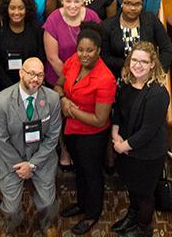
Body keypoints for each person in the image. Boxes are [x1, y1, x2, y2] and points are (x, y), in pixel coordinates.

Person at [53, 22, 117, 235]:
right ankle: (81, 204)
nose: (84, 54)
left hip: (92, 136)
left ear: (98, 50)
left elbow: (100, 120)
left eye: (89, 50)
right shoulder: (73, 62)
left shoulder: (105, 78)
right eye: (81, 49)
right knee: (79, 170)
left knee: (92, 174)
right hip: (71, 131)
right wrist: (62, 98)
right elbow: (59, 85)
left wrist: (69, 108)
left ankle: (92, 213)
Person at [0, 58, 61, 237]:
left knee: (47, 203)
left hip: (42, 158)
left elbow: (53, 136)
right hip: (11, 161)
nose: (35, 78)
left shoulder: (52, 98)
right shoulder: (1, 101)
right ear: (21, 72)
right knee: (11, 208)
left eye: (39, 74)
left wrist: (32, 164)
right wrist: (21, 165)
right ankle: (11, 226)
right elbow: (1, 140)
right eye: (31, 73)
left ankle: (47, 224)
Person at [111, 41, 169, 237]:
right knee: (132, 187)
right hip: (126, 147)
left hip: (147, 153)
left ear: (153, 64)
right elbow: (118, 111)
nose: (138, 65)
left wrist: (122, 146)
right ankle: (132, 215)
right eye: (134, 60)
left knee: (144, 193)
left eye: (143, 62)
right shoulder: (127, 83)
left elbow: (148, 131)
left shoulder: (158, 93)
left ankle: (144, 228)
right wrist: (115, 134)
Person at [101, 0, 172, 78]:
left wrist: (157, 72)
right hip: (120, 74)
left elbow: (167, 48)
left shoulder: (151, 20)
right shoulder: (107, 25)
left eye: (137, 4)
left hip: (149, 75)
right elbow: (105, 56)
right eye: (128, 3)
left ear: (142, 4)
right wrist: (127, 65)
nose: (133, 8)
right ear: (121, 2)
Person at [43, 0, 101, 87]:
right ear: (61, 1)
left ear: (83, 1)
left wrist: (84, 79)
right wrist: (72, 80)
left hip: (89, 78)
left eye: (77, 1)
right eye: (68, 1)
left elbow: (99, 47)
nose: (72, 6)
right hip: (59, 79)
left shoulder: (92, 16)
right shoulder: (53, 20)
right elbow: (52, 58)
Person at [0, 0, 46, 92]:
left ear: (27, 9)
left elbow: (41, 56)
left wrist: (30, 81)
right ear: (6, 9)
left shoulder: (36, 28)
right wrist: (10, 86)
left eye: (21, 8)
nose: (16, 12)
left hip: (32, 84)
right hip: (5, 86)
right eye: (12, 8)